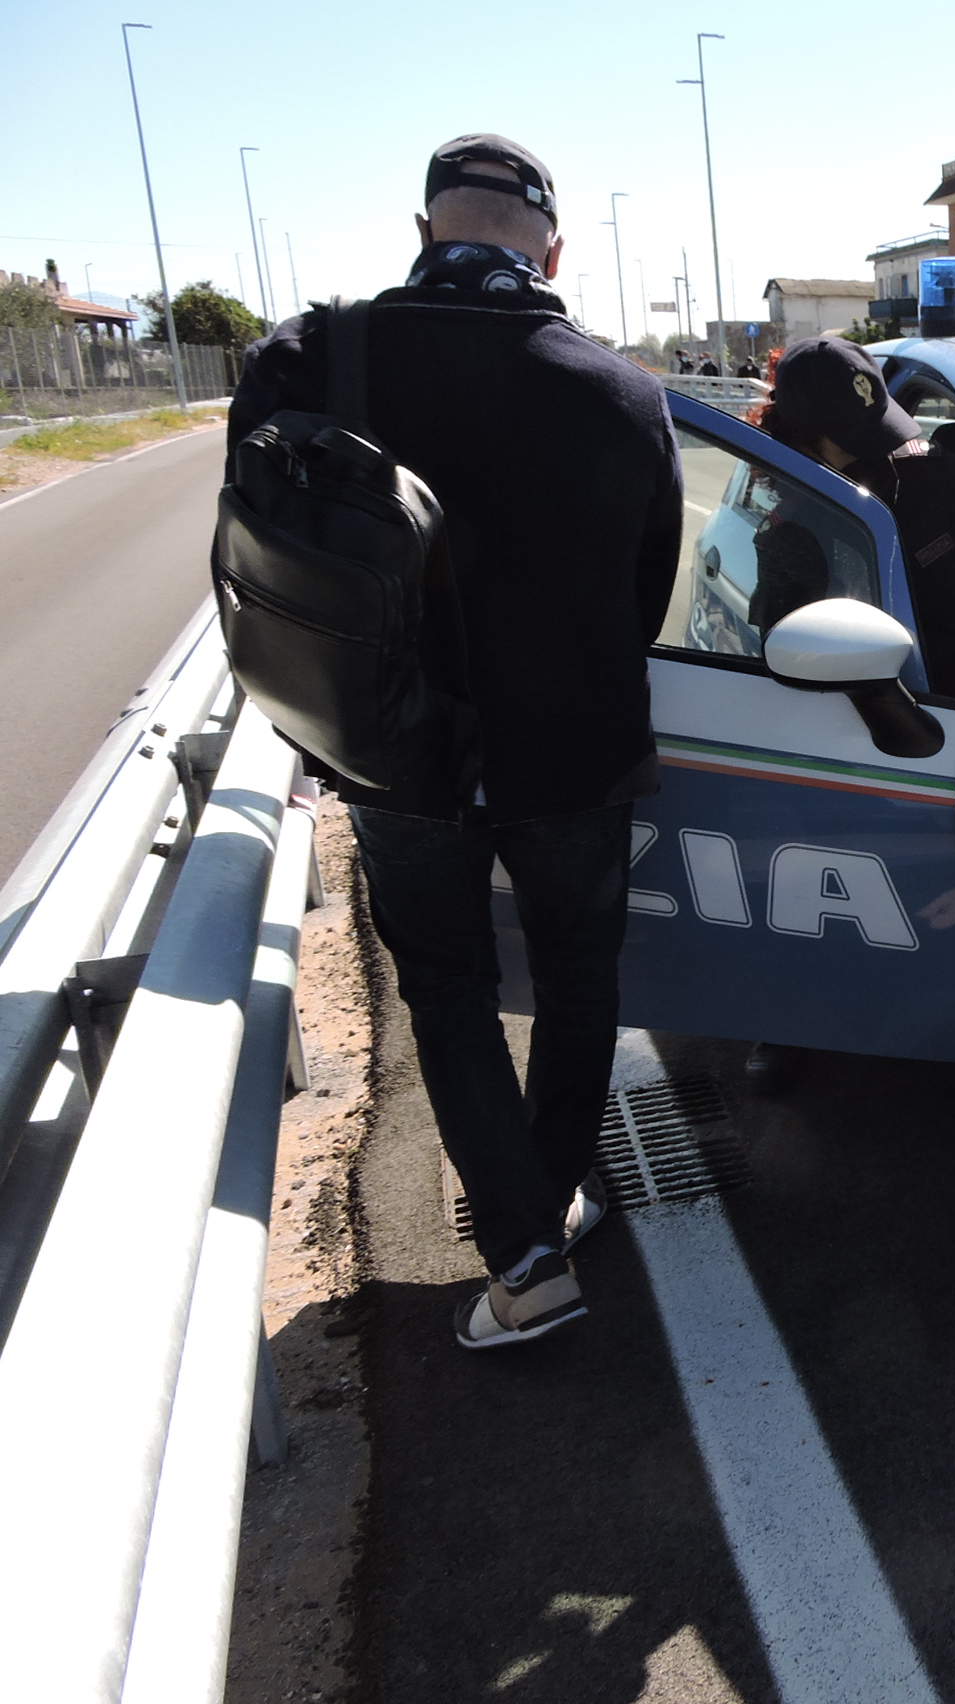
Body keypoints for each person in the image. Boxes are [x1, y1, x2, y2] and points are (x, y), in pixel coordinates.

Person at [228, 134, 681, 1349]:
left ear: (427, 228)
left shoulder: (319, 358)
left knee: (445, 985)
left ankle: (526, 1246)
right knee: (580, 983)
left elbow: (262, 538)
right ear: (554, 248)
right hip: (576, 747)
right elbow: (647, 596)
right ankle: (543, 1210)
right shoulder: (625, 395)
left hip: (397, 745)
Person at [738, 335, 955, 1092]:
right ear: (801, 442)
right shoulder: (792, 531)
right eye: (854, 443)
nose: (886, 452)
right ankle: (779, 1017)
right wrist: (887, 707)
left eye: (879, 424)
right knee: (790, 854)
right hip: (848, 733)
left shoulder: (937, 483)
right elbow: (795, 656)